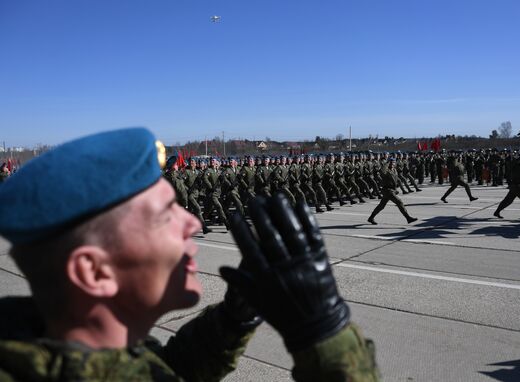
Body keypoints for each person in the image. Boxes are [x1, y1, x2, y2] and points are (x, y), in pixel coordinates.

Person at [0, 128, 379, 381]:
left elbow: (166, 370)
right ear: (94, 271)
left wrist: (235, 317)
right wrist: (324, 332)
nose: (193, 224)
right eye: (165, 215)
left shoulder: (100, 354)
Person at [367, 158, 418, 225]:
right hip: (387, 190)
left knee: (381, 206)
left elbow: (395, 180)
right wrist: (386, 163)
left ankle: (371, 218)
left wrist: (395, 189)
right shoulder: (386, 170)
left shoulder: (394, 170)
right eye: (390, 162)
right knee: (399, 202)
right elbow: (382, 171)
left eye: (393, 162)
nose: (392, 164)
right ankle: (408, 218)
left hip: (391, 190)